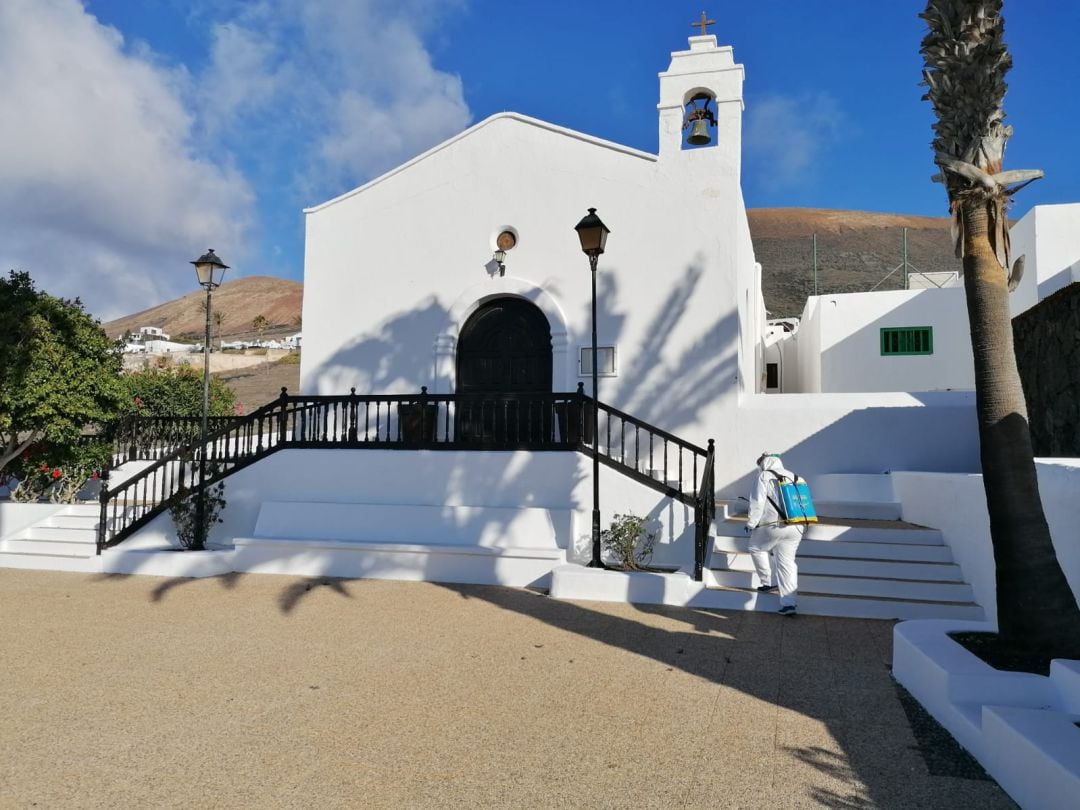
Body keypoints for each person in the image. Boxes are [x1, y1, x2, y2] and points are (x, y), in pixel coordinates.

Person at [743, 452, 804, 616]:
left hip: (772, 525)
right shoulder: (795, 476)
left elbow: (757, 502)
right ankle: (789, 603)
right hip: (797, 526)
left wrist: (751, 523)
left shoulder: (764, 476)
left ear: (764, 463)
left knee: (756, 547)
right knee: (787, 563)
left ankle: (767, 581)